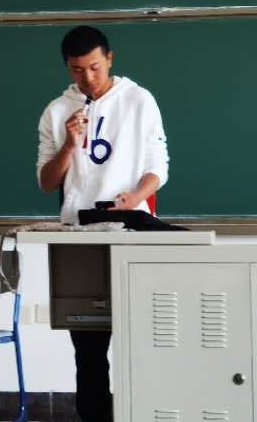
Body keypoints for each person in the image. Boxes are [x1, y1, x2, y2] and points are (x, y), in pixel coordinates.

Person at [36, 25, 169, 422]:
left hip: (133, 232)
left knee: (144, 340)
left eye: (94, 67)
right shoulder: (56, 111)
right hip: (80, 238)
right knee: (89, 348)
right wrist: (69, 144)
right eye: (77, 70)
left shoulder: (139, 100)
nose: (88, 78)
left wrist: (136, 196)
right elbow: (47, 182)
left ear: (109, 59)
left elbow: (158, 167)